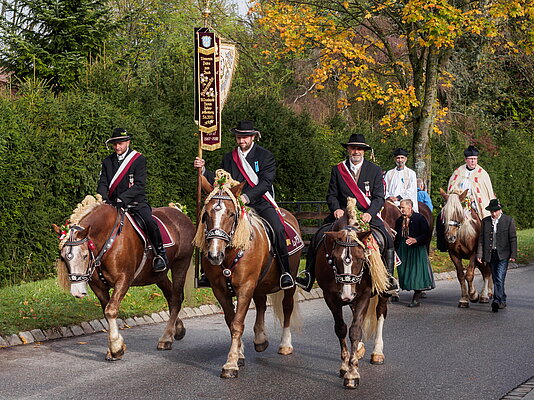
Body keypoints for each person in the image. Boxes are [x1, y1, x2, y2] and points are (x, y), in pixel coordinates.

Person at [194, 120, 295, 290]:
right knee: (210, 226)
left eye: (245, 137)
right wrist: (203, 170)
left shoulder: (265, 156)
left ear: (254, 137)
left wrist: (247, 197)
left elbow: (266, 182)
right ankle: (207, 271)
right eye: (239, 137)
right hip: (233, 206)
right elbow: (220, 179)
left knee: (278, 228)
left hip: (260, 203)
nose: (242, 141)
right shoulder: (229, 158)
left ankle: (285, 272)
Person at [296, 133, 398, 293]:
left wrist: (370, 213)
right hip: (342, 214)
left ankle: (389, 279)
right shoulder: (338, 170)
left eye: (359, 149)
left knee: (387, 238)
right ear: (348, 150)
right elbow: (331, 194)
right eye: (353, 148)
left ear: (364, 151)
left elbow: (379, 197)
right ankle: (309, 275)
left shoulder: (375, 170)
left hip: (366, 214)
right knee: (319, 236)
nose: (356, 152)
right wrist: (335, 208)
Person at [97, 128, 168, 272]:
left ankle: (160, 254)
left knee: (149, 221)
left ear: (128, 142)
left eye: (121, 143)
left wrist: (121, 199)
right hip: (111, 204)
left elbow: (139, 185)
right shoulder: (107, 161)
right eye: (115, 144)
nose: (118, 147)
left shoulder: (138, 159)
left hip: (135, 203)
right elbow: (102, 183)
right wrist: (104, 198)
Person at [436, 145, 495, 251]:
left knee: (485, 221)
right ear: (466, 160)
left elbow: (486, 192)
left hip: (475, 203)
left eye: (475, 159)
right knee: (441, 217)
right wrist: (456, 195)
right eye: (471, 159)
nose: (473, 162)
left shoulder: (482, 173)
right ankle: (443, 244)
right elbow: (452, 188)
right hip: (458, 202)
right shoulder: (458, 172)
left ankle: (486, 247)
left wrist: (473, 198)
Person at [477, 199, 517, 313]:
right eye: (491, 211)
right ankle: (502, 298)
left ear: (500, 210)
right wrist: (480, 254)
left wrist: (513, 254)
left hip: (504, 254)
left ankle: (496, 300)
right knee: (495, 278)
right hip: (491, 254)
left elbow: (513, 238)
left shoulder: (508, 221)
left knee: (499, 277)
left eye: (495, 211)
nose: (493, 214)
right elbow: (481, 239)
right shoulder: (485, 222)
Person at [394, 199, 434, 307]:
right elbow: (397, 235)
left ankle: (416, 297)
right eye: (400, 207)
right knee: (402, 270)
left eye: (403, 207)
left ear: (410, 207)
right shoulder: (399, 220)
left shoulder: (419, 218)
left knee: (416, 272)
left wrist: (416, 240)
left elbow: (426, 234)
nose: (401, 209)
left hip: (416, 248)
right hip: (403, 248)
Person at [384, 148, 418, 212]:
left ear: (406, 159)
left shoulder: (411, 173)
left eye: (402, 158)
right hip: (390, 202)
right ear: (395, 159)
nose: (400, 160)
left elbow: (411, 189)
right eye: (398, 158)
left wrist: (398, 198)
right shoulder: (389, 173)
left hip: (405, 202)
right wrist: (389, 197)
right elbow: (384, 187)